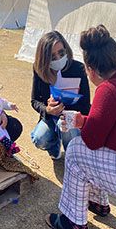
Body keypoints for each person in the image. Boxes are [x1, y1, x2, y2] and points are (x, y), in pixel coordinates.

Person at [45, 25, 116, 229]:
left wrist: (83, 124)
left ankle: (73, 221)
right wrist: (84, 120)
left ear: (91, 69)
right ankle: (98, 203)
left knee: (76, 150)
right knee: (92, 152)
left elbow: (92, 141)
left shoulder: (108, 90)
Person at [30, 31, 90, 161]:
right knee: (39, 139)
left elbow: (86, 104)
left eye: (61, 53)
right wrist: (47, 109)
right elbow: (34, 100)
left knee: (68, 128)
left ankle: (72, 157)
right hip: (50, 117)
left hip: (71, 116)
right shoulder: (39, 69)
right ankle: (54, 146)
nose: (58, 58)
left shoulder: (78, 68)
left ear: (66, 49)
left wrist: (67, 108)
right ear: (44, 58)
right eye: (52, 56)